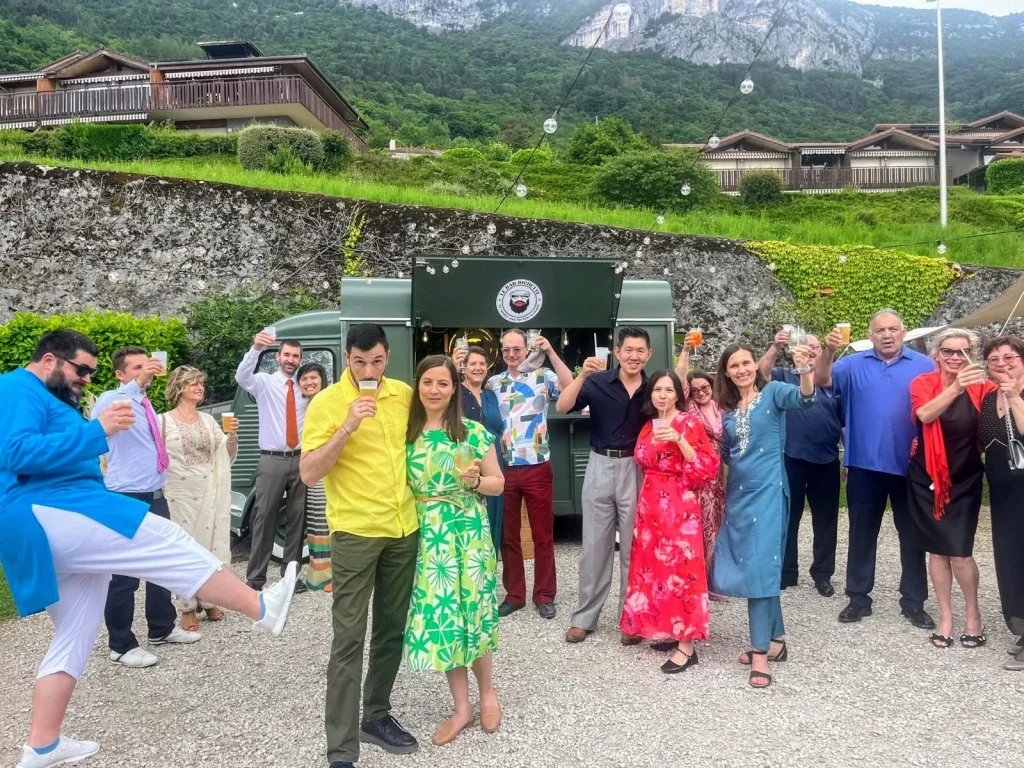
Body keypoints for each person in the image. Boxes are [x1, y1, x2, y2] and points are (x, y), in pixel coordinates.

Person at [0, 330, 296, 768]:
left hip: (51, 515)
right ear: (49, 359)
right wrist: (96, 431)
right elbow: (16, 451)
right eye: (82, 370)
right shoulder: (15, 387)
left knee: (73, 637)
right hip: (52, 511)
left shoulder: (48, 393)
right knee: (169, 538)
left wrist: (94, 428)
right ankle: (261, 608)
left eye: (92, 373)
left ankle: (42, 747)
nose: (86, 379)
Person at [300, 324, 420, 768]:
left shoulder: (404, 394)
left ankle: (377, 716)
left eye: (375, 361)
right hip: (354, 531)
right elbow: (310, 472)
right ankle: (341, 750)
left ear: (387, 357)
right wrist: (348, 424)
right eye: (358, 361)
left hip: (404, 529)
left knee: (391, 631)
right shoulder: (328, 402)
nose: (367, 369)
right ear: (347, 358)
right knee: (348, 638)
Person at [403, 355, 505, 745]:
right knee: (446, 619)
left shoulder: (472, 432)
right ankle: (461, 708)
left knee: (476, 611)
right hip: (429, 537)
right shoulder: (406, 434)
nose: (434, 390)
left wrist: (478, 480)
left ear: (454, 388)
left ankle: (488, 693)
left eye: (443, 384)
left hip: (469, 531)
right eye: (427, 382)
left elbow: (498, 484)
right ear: (418, 385)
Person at [816, 309, 937, 629]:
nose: (887, 335)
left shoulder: (925, 366)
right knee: (861, 534)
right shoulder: (853, 364)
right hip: (864, 465)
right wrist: (828, 350)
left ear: (904, 331)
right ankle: (858, 598)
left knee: (913, 537)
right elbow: (820, 379)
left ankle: (913, 602)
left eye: (893, 329)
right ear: (870, 335)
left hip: (912, 467)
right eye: (880, 330)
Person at [712, 342, 815, 689]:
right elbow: (728, 452)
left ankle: (759, 654)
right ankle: (776, 641)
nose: (741, 369)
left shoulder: (773, 393)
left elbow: (805, 399)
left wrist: (804, 371)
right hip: (739, 495)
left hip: (770, 492)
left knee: (760, 568)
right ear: (726, 372)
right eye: (734, 365)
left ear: (756, 365)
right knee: (761, 565)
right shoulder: (726, 410)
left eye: (746, 363)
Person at [93, 346, 201, 668]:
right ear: (120, 374)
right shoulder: (111, 400)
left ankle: (161, 628)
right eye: (137, 367)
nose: (146, 371)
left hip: (155, 494)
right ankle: (121, 644)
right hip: (125, 496)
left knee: (162, 563)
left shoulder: (145, 404)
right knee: (124, 574)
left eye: (147, 365)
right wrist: (139, 381)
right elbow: (108, 419)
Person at [556, 327, 652, 645]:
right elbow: (562, 406)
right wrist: (582, 375)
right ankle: (584, 618)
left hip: (636, 468)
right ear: (617, 351)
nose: (634, 356)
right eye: (628, 350)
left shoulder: (653, 388)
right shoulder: (597, 382)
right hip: (599, 463)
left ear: (648, 355)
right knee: (595, 546)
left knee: (633, 547)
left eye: (640, 350)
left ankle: (630, 619)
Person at [619, 370, 719, 673]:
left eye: (668, 390)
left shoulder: (689, 423)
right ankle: (670, 628)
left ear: (678, 394)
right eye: (657, 390)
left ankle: (687, 646)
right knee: (656, 570)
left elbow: (707, 466)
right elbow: (642, 458)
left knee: (682, 571)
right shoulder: (649, 426)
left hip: (679, 504)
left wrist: (679, 441)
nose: (662, 395)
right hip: (651, 505)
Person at [907, 329, 994, 649]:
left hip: (965, 478)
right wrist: (957, 386)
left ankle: (973, 615)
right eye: (948, 352)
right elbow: (924, 414)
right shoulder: (923, 384)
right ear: (936, 355)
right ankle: (946, 617)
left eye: (962, 352)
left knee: (959, 552)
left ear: (972, 354)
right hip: (926, 476)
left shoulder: (985, 387)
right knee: (937, 549)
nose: (955, 358)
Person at [486, 329, 573, 620]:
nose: (512, 354)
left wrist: (550, 351)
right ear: (501, 352)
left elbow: (571, 387)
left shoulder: (544, 377)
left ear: (527, 349)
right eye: (507, 350)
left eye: (517, 349)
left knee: (543, 535)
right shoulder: (493, 383)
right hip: (504, 467)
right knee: (508, 536)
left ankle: (545, 595)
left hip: (537, 465)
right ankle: (515, 595)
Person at [758, 329, 843, 597]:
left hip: (826, 457)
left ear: (820, 351)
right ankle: (787, 572)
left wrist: (849, 456)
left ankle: (822, 574)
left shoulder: (832, 377)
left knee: (826, 520)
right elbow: (762, 372)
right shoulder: (784, 374)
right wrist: (774, 346)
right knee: (787, 517)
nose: (809, 350)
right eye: (803, 346)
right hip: (791, 457)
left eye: (814, 347)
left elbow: (844, 424)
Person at [162, 365, 239, 631]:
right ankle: (186, 606)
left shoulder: (207, 420)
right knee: (186, 548)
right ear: (179, 388)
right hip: (180, 492)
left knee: (211, 546)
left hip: (210, 489)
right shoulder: (164, 421)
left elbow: (224, 455)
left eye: (201, 384)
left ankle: (209, 600)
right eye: (193, 383)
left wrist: (231, 436)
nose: (199, 388)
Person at [236, 332, 308, 593]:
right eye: (287, 355)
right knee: (264, 517)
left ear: (301, 359)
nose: (291, 360)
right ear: (278, 357)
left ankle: (291, 578)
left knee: (297, 519)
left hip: (301, 458)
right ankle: (255, 579)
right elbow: (242, 377)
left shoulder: (305, 385)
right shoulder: (264, 382)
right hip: (272, 459)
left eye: (295, 356)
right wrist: (255, 347)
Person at [979, 336, 1024, 670]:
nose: (1002, 363)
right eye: (994, 359)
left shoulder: (1013, 395)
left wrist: (1014, 396)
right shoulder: (988, 400)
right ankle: (1019, 622)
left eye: (1009, 357)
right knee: (1010, 555)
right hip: (1003, 492)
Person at [453, 344, 505, 553]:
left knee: (493, 520)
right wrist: (452, 365)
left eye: (482, 363)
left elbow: (499, 426)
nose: (478, 368)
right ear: (463, 368)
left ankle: (488, 574)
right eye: (472, 363)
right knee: (471, 520)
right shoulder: (456, 393)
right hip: (468, 461)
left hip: (493, 462)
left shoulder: (491, 396)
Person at [685, 370, 726, 591]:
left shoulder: (720, 406)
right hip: (701, 472)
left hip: (719, 473)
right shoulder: (690, 409)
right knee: (703, 525)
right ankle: (700, 581)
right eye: (695, 390)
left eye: (705, 388)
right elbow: (680, 385)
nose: (701, 392)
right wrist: (686, 351)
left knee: (718, 522)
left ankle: (714, 578)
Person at [296, 362, 333, 592]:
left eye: (313, 378)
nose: (309, 382)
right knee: (317, 521)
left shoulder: (328, 403)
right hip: (310, 468)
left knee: (330, 520)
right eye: (304, 379)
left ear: (322, 380)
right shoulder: (303, 405)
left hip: (327, 467)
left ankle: (335, 574)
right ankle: (320, 573)